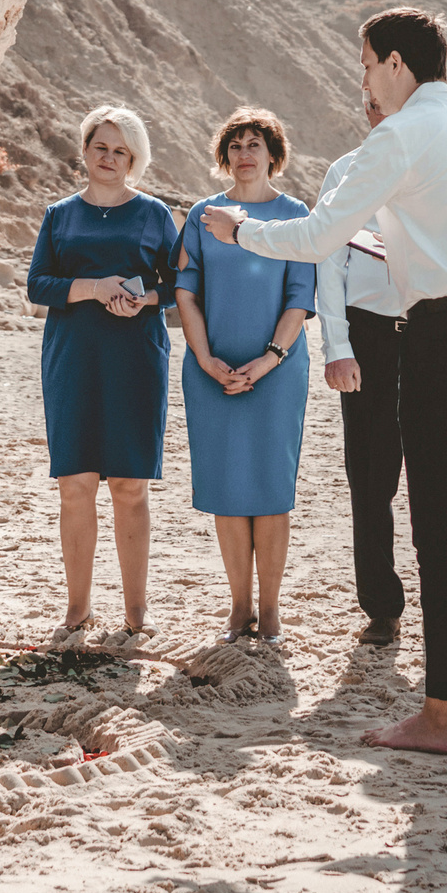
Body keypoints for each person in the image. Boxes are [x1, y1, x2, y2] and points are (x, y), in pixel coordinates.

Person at [203, 8, 447, 752]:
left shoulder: (403, 132)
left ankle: (442, 717)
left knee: (440, 529)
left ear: (395, 63)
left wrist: (240, 229)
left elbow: (319, 235)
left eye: (366, 64)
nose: (364, 81)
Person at [26, 106, 179, 637]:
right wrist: (93, 287)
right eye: (101, 148)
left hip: (136, 356)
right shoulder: (59, 215)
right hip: (73, 357)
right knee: (75, 484)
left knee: (131, 486)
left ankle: (137, 610)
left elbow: (178, 284)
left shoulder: (154, 214)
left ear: (134, 159)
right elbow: (37, 285)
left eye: (120, 151)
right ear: (85, 151)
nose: (109, 158)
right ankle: (78, 607)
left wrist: (142, 299)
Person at [175, 109, 317, 644]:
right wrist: (205, 358)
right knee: (228, 488)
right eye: (235, 145)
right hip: (211, 372)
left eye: (255, 143)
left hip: (277, 373)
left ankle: (271, 609)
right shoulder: (202, 214)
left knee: (271, 490)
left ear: (273, 155)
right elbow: (185, 291)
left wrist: (269, 359)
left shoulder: (294, 214)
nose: (244, 154)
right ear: (224, 156)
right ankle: (239, 608)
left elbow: (300, 298)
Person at [313, 91, 408, 646]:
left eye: (386, 100)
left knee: (442, 476)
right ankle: (382, 607)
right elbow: (329, 262)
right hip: (367, 336)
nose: (377, 109)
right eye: (369, 102)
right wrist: (338, 347)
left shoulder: (436, 168)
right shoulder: (345, 172)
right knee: (370, 479)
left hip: (432, 334)